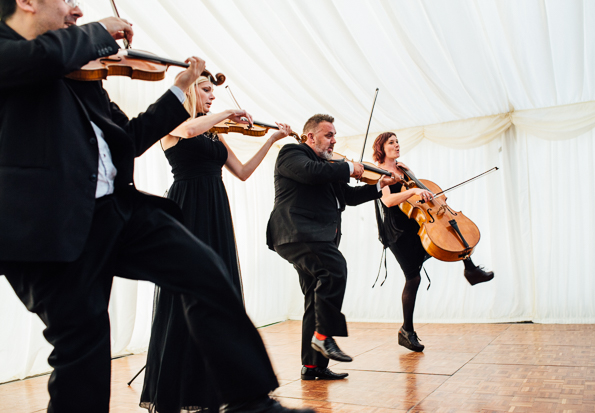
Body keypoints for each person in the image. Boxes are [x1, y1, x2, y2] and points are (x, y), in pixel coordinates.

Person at [0, 1, 313, 412]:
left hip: (117, 212)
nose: (76, 10)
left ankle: (250, 402)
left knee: (205, 270)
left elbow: (128, 139)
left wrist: (179, 87)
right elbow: (35, 60)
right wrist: (98, 31)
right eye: (67, 0)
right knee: (82, 348)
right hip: (44, 227)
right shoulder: (20, 54)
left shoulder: (79, 72)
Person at [140, 75, 292, 413]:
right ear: (190, 89)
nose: (212, 95)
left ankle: (218, 387)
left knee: (220, 294)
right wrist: (226, 113)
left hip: (215, 209)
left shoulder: (214, 135)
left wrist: (270, 139)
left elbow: (242, 171)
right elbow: (190, 130)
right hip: (187, 207)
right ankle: (176, 388)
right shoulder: (174, 122)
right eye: (206, 89)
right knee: (185, 294)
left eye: (214, 91)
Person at [266, 114, 396, 381]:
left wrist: (379, 185)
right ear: (310, 137)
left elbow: (347, 197)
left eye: (335, 135)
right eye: (328, 135)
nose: (334, 141)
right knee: (335, 269)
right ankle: (324, 336)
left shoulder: (331, 165)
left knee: (315, 298)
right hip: (297, 232)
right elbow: (310, 174)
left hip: (317, 236)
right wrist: (349, 168)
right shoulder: (293, 153)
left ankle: (313, 367)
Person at [371, 132, 494, 352]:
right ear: (381, 147)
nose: (397, 145)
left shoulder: (404, 168)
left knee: (449, 229)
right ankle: (406, 331)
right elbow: (388, 201)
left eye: (398, 141)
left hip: (415, 222)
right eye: (391, 142)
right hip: (397, 230)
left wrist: (424, 194)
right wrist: (415, 190)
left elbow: (418, 197)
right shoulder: (378, 172)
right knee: (413, 278)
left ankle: (470, 268)